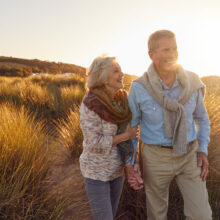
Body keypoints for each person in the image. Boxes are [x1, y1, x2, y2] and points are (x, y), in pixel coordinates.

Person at [128, 30, 212, 220]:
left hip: (189, 155)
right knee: (157, 214)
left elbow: (202, 118)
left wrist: (203, 149)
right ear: (151, 54)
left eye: (174, 49)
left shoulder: (192, 81)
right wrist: (132, 163)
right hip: (155, 158)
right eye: (166, 50)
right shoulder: (139, 87)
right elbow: (132, 129)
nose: (172, 54)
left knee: (202, 214)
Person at [79, 55, 140, 220]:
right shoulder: (90, 104)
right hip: (96, 172)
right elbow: (93, 143)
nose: (122, 74)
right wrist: (124, 135)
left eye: (121, 70)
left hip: (116, 171)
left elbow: (133, 136)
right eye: (116, 71)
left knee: (110, 215)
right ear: (103, 77)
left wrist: (132, 165)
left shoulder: (123, 99)